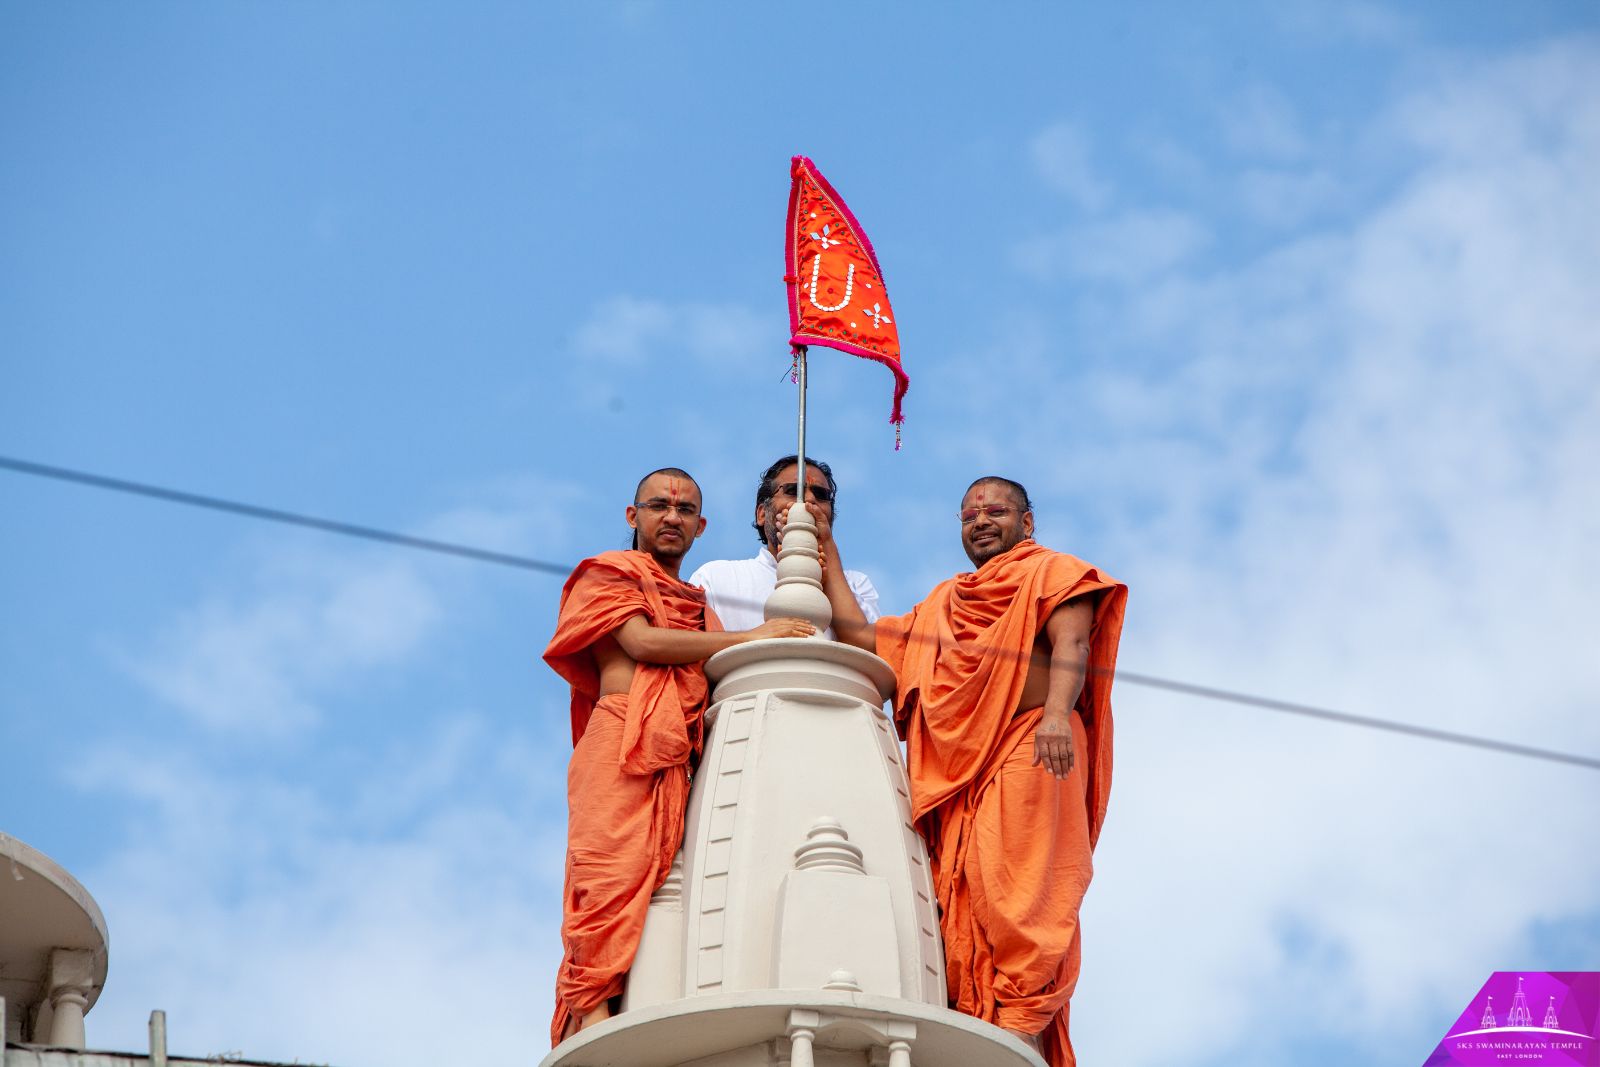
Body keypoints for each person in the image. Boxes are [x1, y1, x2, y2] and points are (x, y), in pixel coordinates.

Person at [820, 476, 1127, 1067]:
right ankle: (987, 1027)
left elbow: (1074, 644)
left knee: (1024, 893)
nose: (981, 522)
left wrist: (1058, 716)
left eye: (996, 511)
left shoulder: (1054, 572)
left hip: (1033, 745)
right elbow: (861, 636)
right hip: (964, 779)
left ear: (1027, 523)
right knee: (967, 897)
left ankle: (1019, 1028)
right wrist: (826, 546)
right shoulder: (946, 602)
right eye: (969, 516)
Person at [543, 467, 816, 1045]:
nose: (672, 517)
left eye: (686, 510)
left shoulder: (694, 601)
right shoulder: (608, 573)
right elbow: (642, 644)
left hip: (677, 758)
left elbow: (717, 680)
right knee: (608, 878)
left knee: (666, 886)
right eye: (660, 506)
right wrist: (751, 639)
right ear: (631, 516)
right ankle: (593, 1013)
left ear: (701, 527)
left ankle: (632, 1006)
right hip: (620, 740)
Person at [689, 454, 880, 636]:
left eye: (821, 494)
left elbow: (872, 653)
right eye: (792, 491)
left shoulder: (856, 585)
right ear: (762, 514)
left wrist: (827, 572)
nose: (809, 500)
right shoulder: (716, 578)